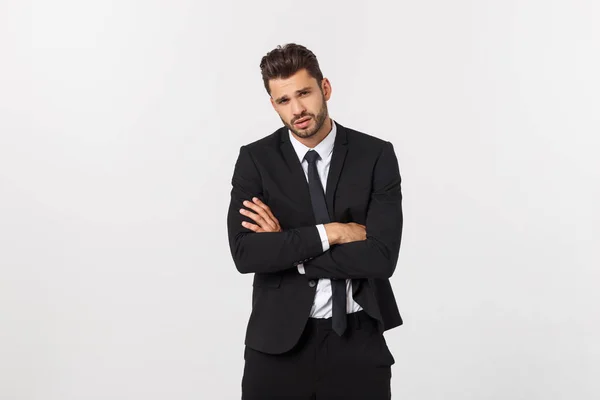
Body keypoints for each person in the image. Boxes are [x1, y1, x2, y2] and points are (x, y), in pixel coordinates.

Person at [226, 43, 403, 399]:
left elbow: (381, 257)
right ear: (273, 104)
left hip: (357, 342)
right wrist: (333, 233)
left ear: (325, 88)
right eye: (283, 100)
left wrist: (287, 246)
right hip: (277, 345)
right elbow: (247, 255)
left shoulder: (375, 155)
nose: (297, 110)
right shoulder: (256, 161)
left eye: (304, 93)